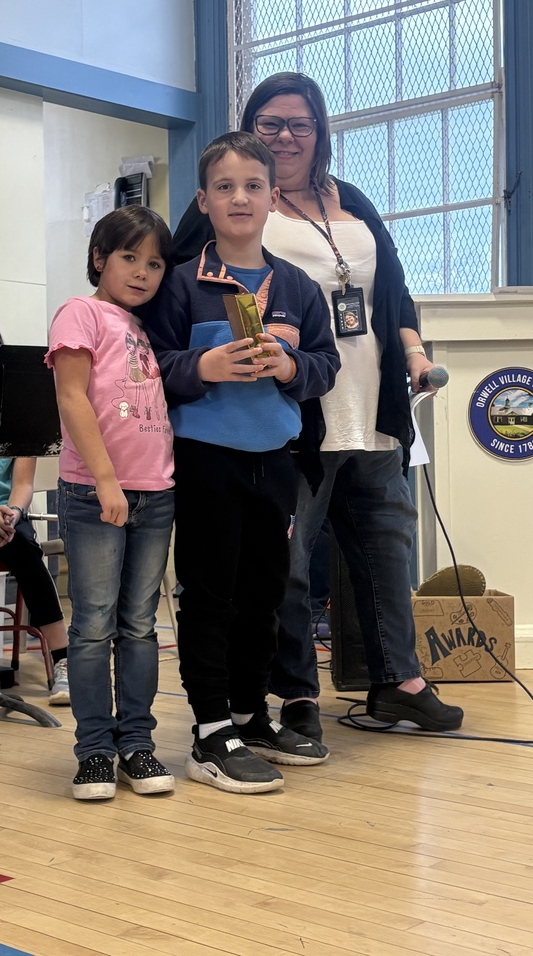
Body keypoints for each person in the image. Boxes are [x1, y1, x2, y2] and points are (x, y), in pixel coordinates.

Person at [172, 72, 464, 742]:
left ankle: (399, 681)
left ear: (321, 131)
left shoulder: (352, 200)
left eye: (298, 124)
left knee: (388, 547)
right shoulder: (236, 200)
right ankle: (295, 695)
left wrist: (414, 353)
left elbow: (392, 289)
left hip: (373, 405)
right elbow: (178, 286)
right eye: (270, 123)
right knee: (290, 568)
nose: (284, 136)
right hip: (290, 417)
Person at [141, 131, 338, 794]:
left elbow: (325, 367)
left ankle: (252, 716)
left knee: (266, 592)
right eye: (223, 187)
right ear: (204, 199)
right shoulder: (179, 287)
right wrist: (201, 365)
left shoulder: (300, 289)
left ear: (272, 196)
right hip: (205, 461)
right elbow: (153, 366)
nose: (239, 197)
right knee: (210, 595)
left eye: (252, 185)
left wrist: (290, 366)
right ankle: (209, 731)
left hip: (274, 461)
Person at [46, 206, 176, 801]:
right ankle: (94, 750)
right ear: (100, 258)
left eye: (154, 263)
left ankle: (137, 745)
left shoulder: (144, 327)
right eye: (130, 257)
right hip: (97, 493)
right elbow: (72, 398)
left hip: (157, 493)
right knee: (94, 625)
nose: (143, 272)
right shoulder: (81, 312)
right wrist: (104, 480)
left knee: (140, 626)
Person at [0, 314, 70, 706]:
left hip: (7, 517)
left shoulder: (16, 410)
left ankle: (62, 661)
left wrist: (12, 514)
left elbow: (22, 484)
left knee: (22, 542)